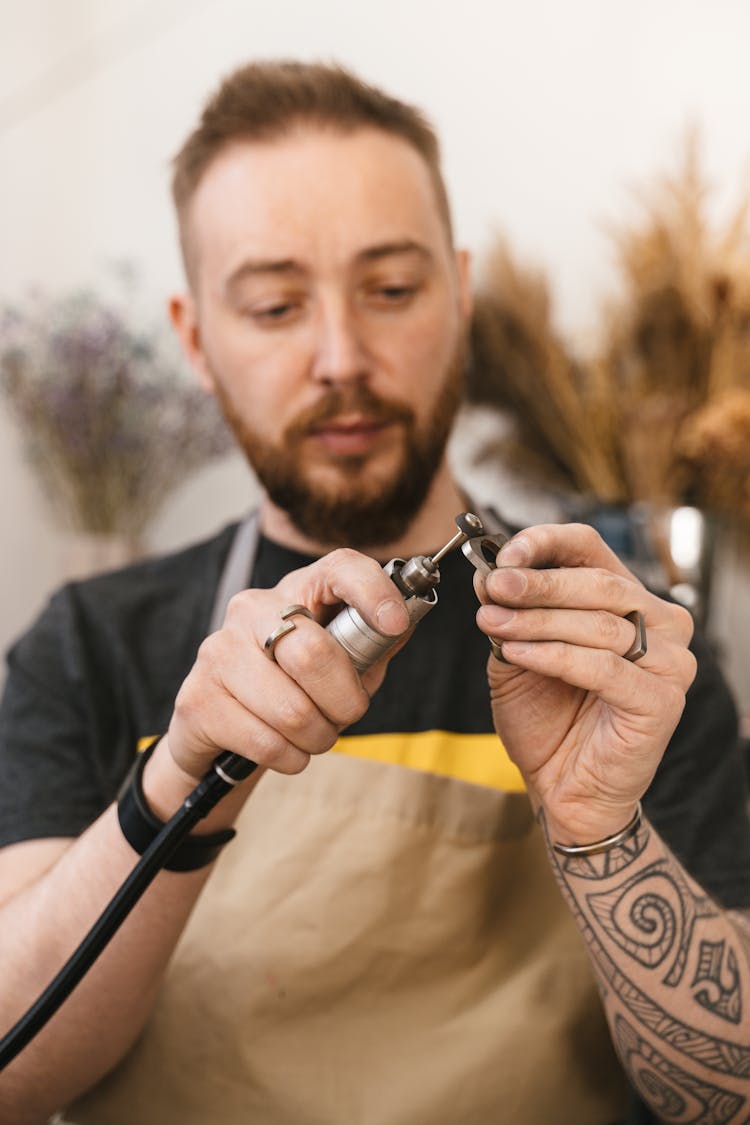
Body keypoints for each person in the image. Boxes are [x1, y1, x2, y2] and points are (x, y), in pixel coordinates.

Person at [0, 60, 748, 1125]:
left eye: (392, 290)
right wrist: (175, 783)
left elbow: (728, 1099)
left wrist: (599, 827)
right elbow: (13, 1076)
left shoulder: (619, 652)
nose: (342, 357)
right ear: (196, 338)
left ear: (460, 293)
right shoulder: (88, 646)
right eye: (273, 305)